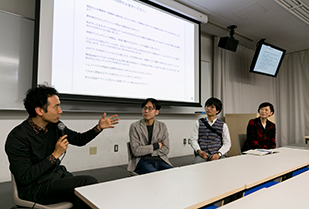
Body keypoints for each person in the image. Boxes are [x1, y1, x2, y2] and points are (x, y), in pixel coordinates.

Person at [5, 85, 119, 208]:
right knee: (87, 183)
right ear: (39, 111)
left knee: (87, 192)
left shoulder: (55, 126)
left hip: (56, 177)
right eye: (56, 107)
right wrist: (55, 155)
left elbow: (79, 140)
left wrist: (98, 128)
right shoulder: (17, 138)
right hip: (34, 187)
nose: (60, 111)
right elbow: (25, 177)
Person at [127, 98, 173, 175]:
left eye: (150, 109)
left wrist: (148, 152)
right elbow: (136, 151)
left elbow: (166, 149)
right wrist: (156, 146)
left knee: (172, 173)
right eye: (144, 108)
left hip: (160, 159)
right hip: (142, 161)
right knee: (155, 176)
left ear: (157, 112)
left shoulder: (162, 126)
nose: (146, 111)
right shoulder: (135, 126)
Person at [190, 97, 231, 163]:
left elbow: (227, 143)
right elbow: (193, 139)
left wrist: (218, 154)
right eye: (207, 106)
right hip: (202, 155)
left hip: (217, 154)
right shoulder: (198, 123)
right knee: (197, 165)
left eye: (212, 107)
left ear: (217, 111)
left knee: (224, 166)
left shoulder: (223, 125)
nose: (208, 108)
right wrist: (199, 151)